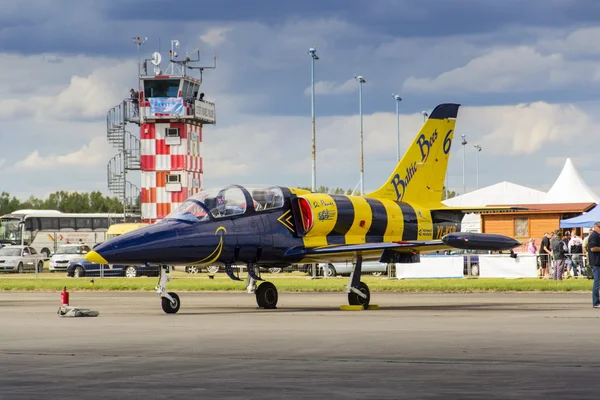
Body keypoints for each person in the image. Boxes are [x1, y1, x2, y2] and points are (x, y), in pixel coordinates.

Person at [587, 222, 600, 308]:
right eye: (599, 227)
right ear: (595, 227)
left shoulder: (597, 236)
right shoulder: (593, 236)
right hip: (596, 263)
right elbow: (593, 248)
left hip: (598, 262)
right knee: (597, 282)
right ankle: (596, 302)